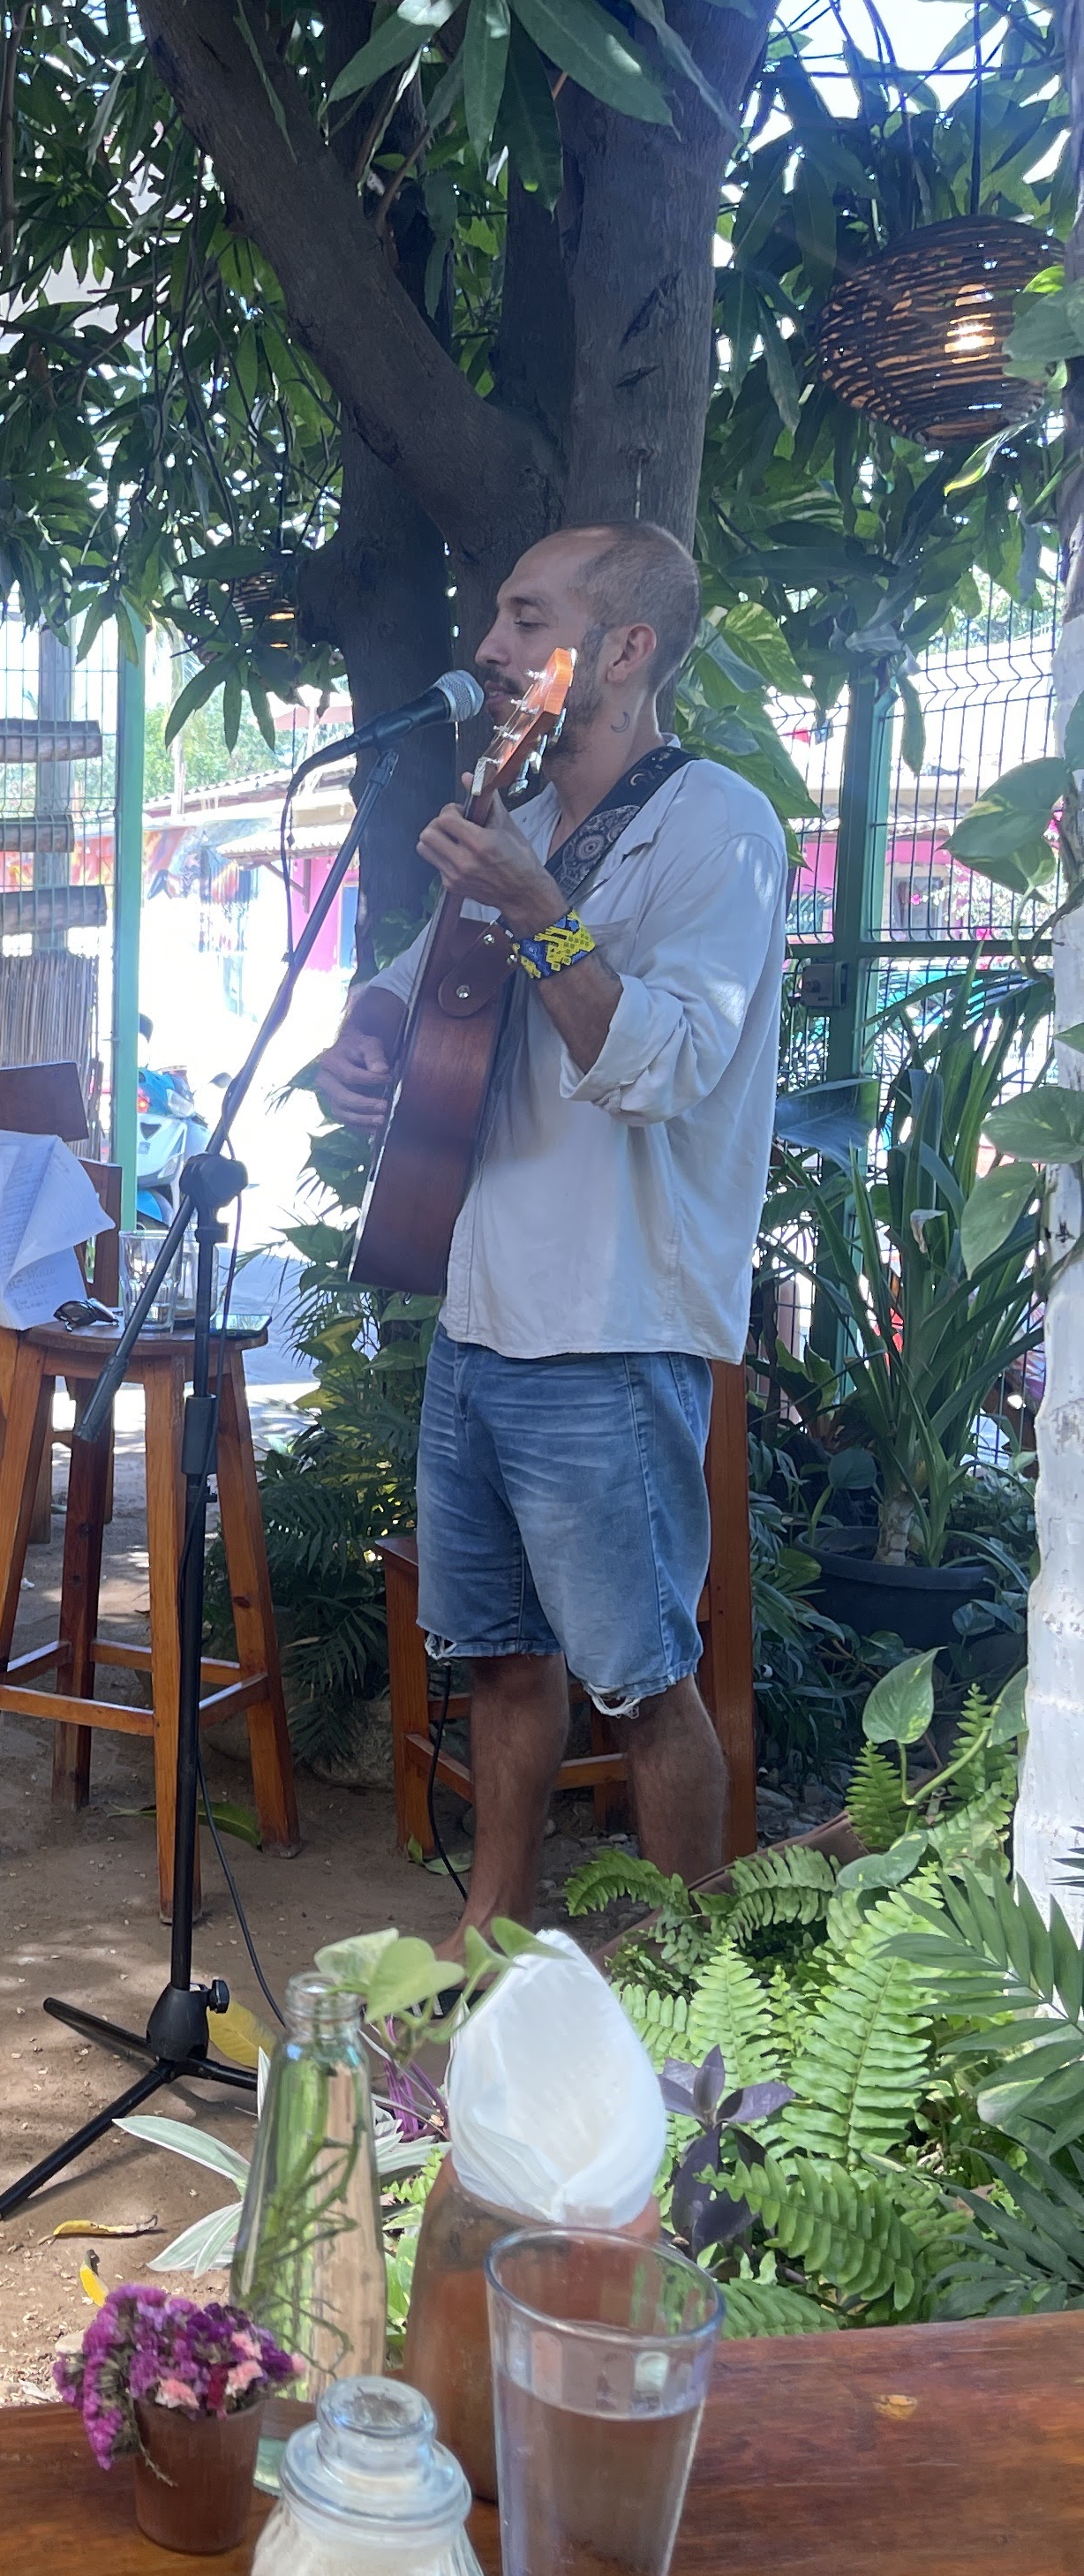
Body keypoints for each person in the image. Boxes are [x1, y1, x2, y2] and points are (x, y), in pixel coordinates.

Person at [307, 521, 787, 1933]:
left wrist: (542, 913)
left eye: (527, 620)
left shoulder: (720, 826)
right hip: (477, 1309)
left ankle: (701, 1988)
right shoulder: (514, 806)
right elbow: (412, 969)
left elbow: (667, 1066)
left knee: (643, 1681)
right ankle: (493, 1940)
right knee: (501, 1661)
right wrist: (369, 1030)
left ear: (625, 649)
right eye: (498, 620)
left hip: (609, 1321)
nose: (491, 649)